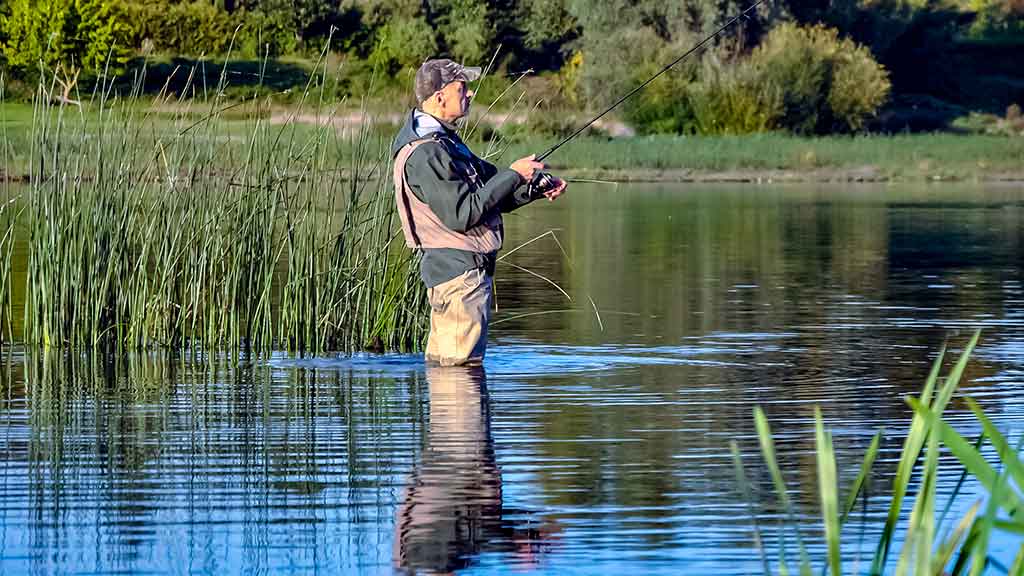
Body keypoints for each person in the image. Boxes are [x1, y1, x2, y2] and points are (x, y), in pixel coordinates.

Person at [391, 58, 567, 366]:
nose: (470, 94)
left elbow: (489, 193)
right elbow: (462, 214)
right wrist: (514, 174)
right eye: (462, 88)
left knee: (448, 371)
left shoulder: (444, 143)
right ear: (439, 97)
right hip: (460, 279)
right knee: (461, 372)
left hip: (456, 276)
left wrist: (533, 186)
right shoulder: (427, 152)